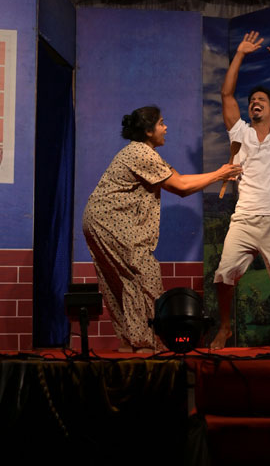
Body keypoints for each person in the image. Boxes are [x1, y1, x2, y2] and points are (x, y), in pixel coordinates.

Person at [82, 106, 241, 352]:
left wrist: (216, 175)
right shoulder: (141, 154)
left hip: (98, 220)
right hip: (110, 220)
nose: (166, 128)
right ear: (148, 131)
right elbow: (181, 187)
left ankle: (130, 341)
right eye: (161, 123)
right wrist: (219, 173)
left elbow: (179, 179)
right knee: (144, 273)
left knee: (121, 281)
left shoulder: (145, 153)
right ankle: (148, 341)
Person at [211, 31, 270, 349]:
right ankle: (225, 328)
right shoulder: (240, 133)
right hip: (245, 219)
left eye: (261, 101)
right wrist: (239, 54)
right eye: (252, 102)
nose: (254, 104)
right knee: (223, 275)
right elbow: (226, 94)